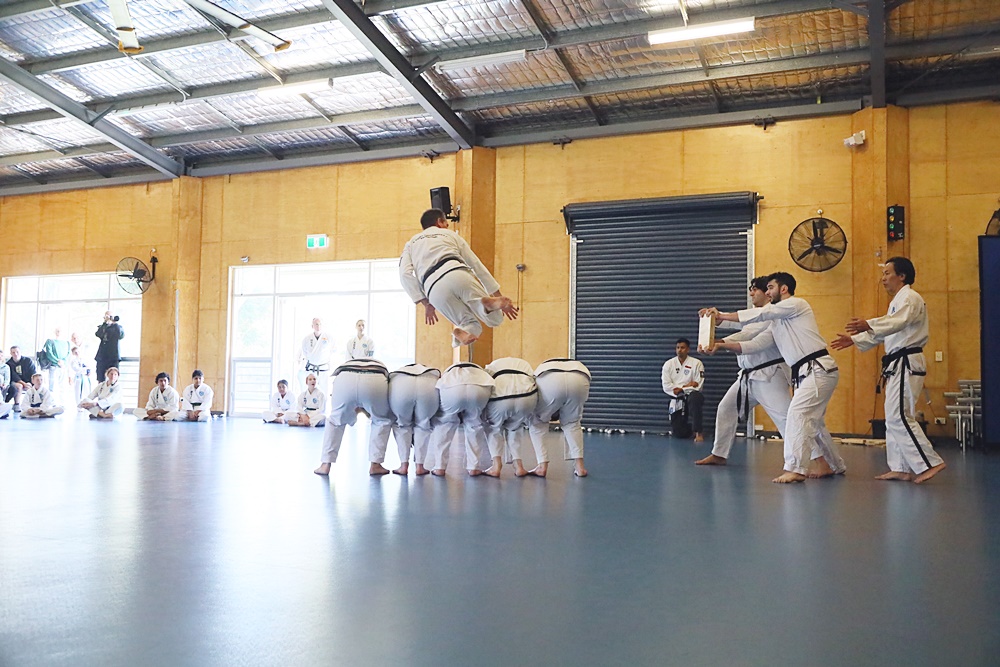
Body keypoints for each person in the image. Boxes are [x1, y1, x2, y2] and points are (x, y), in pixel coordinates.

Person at [704, 272, 846, 483]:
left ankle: (797, 468)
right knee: (809, 421)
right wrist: (720, 341)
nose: (766, 293)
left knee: (795, 417)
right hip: (801, 373)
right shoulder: (777, 322)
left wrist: (722, 318)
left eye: (769, 288)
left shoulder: (796, 305)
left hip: (794, 372)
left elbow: (757, 318)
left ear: (784, 288)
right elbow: (754, 343)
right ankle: (831, 464)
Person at [831, 257, 947, 484]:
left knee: (899, 415)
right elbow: (887, 331)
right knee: (893, 416)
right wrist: (855, 339)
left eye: (887, 273)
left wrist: (869, 324)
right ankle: (901, 467)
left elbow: (896, 323)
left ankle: (929, 463)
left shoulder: (911, 298)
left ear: (901, 276)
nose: (883, 278)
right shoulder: (897, 302)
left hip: (906, 362)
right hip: (897, 363)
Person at [697, 277, 792, 466]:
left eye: (754, 289)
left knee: (787, 419)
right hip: (748, 377)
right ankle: (719, 454)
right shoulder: (753, 315)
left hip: (769, 376)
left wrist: (718, 342)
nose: (750, 293)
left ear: (767, 292)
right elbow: (737, 323)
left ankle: (817, 459)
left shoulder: (770, 314)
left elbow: (746, 334)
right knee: (726, 408)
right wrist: (714, 319)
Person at [399, 208, 518, 347]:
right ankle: (485, 304)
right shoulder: (449, 235)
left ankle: (458, 333)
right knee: (496, 319)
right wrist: (496, 293)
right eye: (446, 222)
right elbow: (475, 263)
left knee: (470, 325)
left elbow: (404, 274)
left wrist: (425, 302)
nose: (448, 226)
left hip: (433, 287)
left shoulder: (411, 244)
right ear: (439, 222)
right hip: (456, 272)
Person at [313, 358, 395, 477]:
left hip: (345, 378)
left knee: (335, 421)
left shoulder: (347, 362)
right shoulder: (378, 362)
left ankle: (325, 465)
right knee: (381, 421)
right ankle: (375, 465)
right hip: (375, 379)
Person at [526, 358, 591, 478]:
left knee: (537, 422)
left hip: (549, 376)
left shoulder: (542, 368)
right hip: (580, 375)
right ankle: (580, 467)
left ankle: (542, 466)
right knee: (572, 423)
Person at [427, 362, 494, 477]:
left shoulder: (450, 370)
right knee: (474, 424)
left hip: (452, 386)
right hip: (479, 385)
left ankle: (439, 467)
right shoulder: (481, 370)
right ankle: (474, 467)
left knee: (445, 424)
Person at [483, 357, 538, 478]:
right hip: (527, 397)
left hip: (500, 399)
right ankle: (519, 467)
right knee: (515, 428)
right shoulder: (525, 364)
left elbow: (485, 383)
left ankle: (496, 466)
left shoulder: (491, 366)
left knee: (494, 428)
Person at [387, 363, 441, 476]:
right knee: (423, 425)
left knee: (402, 425)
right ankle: (420, 467)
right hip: (429, 383)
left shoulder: (401, 369)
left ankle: (403, 466)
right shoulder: (429, 371)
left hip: (400, 382)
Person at [661, 338, 706, 442]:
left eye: (682, 347)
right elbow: (666, 386)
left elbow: (698, 386)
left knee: (695, 398)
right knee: (679, 433)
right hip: (676, 396)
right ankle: (689, 430)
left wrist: (681, 388)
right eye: (677, 348)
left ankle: (698, 432)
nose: (679, 350)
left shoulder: (697, 363)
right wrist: (687, 385)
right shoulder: (668, 364)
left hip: (692, 395)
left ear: (688, 349)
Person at [298, 318, 333, 393]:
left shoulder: (328, 337)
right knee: (310, 391)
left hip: (324, 369)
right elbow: (305, 353)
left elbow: (332, 351)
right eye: (316, 324)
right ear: (312, 326)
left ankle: (324, 405)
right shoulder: (306, 339)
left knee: (324, 392)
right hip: (312, 369)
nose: (318, 326)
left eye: (320, 324)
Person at [42, 328, 71, 402]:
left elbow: (68, 354)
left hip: (63, 367)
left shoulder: (67, 343)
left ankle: (62, 402)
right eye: (57, 331)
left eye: (60, 331)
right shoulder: (50, 341)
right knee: (52, 385)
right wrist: (57, 360)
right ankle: (52, 402)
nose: (59, 332)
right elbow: (49, 353)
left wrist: (63, 362)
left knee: (63, 386)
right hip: (53, 366)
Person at [6, 346, 37, 413]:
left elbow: (33, 373)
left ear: (20, 352)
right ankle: (16, 404)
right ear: (11, 353)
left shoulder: (28, 361)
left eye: (17, 352)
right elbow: (14, 376)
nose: (15, 354)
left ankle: (33, 405)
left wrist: (30, 383)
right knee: (19, 386)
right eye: (13, 352)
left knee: (32, 387)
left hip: (28, 381)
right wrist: (24, 384)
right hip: (15, 382)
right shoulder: (9, 364)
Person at [95, 311, 124, 380]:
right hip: (102, 356)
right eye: (107, 316)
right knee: (100, 377)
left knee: (114, 376)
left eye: (111, 316)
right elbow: (98, 334)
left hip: (113, 356)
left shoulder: (118, 327)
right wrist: (105, 323)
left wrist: (114, 323)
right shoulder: (103, 327)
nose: (109, 318)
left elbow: (120, 335)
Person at [0, 350, 10, 419]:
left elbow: (7, 378)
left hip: (2, 384)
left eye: (1, 356)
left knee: (8, 406)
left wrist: (5, 384)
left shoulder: (6, 367)